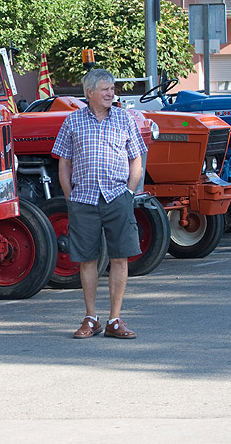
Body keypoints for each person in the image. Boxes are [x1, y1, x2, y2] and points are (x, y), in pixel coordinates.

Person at [52, 69, 147, 339]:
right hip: (84, 200)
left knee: (120, 257)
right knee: (87, 260)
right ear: (89, 93)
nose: (110, 93)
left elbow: (136, 159)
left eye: (112, 88)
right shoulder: (72, 122)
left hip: (117, 197)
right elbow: (64, 163)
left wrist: (129, 192)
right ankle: (91, 318)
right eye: (105, 89)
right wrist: (70, 197)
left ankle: (115, 320)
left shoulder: (124, 119)